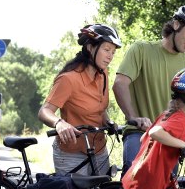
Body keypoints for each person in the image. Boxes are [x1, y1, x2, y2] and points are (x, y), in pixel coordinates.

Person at [113, 5, 185, 176]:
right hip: (139, 133)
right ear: (175, 24)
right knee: (133, 180)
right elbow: (120, 83)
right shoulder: (141, 50)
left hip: (171, 137)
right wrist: (133, 117)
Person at [38, 24, 122, 175]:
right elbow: (44, 111)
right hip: (72, 152)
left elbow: (99, 109)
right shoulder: (69, 79)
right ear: (90, 47)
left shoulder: (103, 74)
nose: (110, 56)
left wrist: (108, 122)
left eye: (113, 52)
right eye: (107, 49)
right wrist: (59, 123)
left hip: (98, 149)